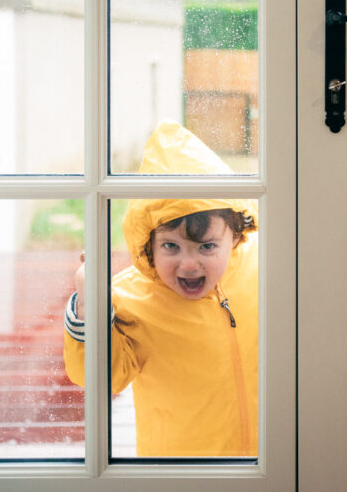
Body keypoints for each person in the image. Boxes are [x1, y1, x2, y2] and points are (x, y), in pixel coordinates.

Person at [62, 121, 259, 457]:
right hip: (178, 470)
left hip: (271, 461)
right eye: (171, 246)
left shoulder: (263, 266)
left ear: (237, 236)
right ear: (148, 243)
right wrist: (89, 303)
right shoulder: (131, 299)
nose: (188, 264)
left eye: (207, 247)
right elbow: (98, 377)